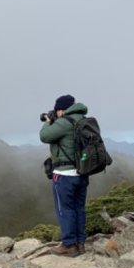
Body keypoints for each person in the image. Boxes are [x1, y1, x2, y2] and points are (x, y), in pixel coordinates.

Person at [39, 94, 90, 256]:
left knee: (65, 209)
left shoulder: (64, 122)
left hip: (64, 174)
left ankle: (69, 244)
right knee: (79, 208)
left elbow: (45, 136)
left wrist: (48, 122)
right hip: (82, 172)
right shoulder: (84, 120)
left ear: (61, 110)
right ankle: (80, 243)